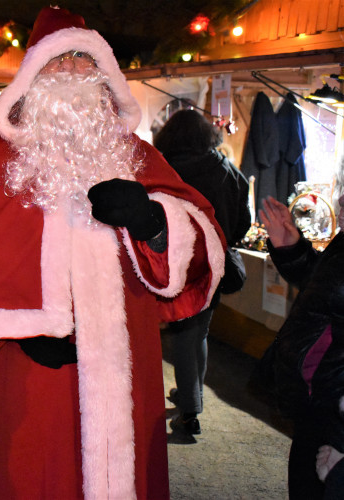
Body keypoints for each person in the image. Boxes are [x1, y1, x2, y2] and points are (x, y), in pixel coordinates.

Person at [0, 6, 225, 499]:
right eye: (58, 60)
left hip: (124, 364)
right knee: (32, 476)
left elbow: (204, 250)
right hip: (22, 371)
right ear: (31, 76)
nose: (72, 70)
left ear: (104, 76)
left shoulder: (138, 157)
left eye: (83, 59)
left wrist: (153, 221)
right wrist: (9, 333)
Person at [153, 109, 251, 435]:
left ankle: (190, 409)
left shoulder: (164, 169)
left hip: (176, 262)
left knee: (183, 333)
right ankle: (190, 394)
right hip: (215, 261)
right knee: (200, 332)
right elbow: (243, 221)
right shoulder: (226, 169)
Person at [260, 192, 344, 500]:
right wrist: (292, 249)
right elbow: (325, 289)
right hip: (317, 401)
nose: (342, 201)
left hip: (333, 409)